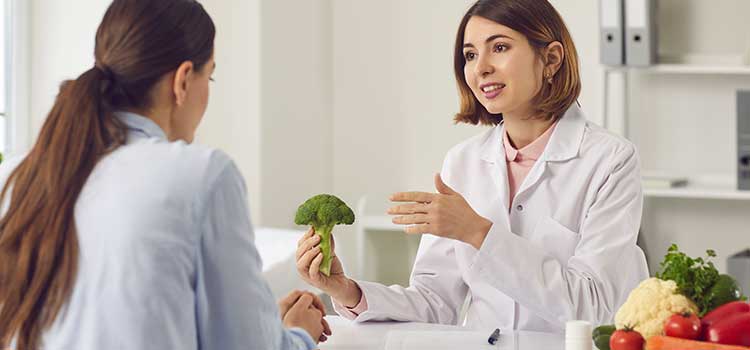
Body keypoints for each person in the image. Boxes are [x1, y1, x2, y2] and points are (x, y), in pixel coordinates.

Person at [296, 0, 648, 333]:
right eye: (470, 54)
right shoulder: (462, 162)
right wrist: (347, 291)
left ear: (551, 58)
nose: (480, 68)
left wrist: (478, 233)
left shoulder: (611, 161)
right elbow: (435, 303)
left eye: (499, 47)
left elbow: (592, 306)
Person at [0, 1, 329, 349]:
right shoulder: (203, 175)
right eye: (210, 75)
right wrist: (299, 335)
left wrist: (262, 324)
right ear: (183, 80)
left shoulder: (20, 178)